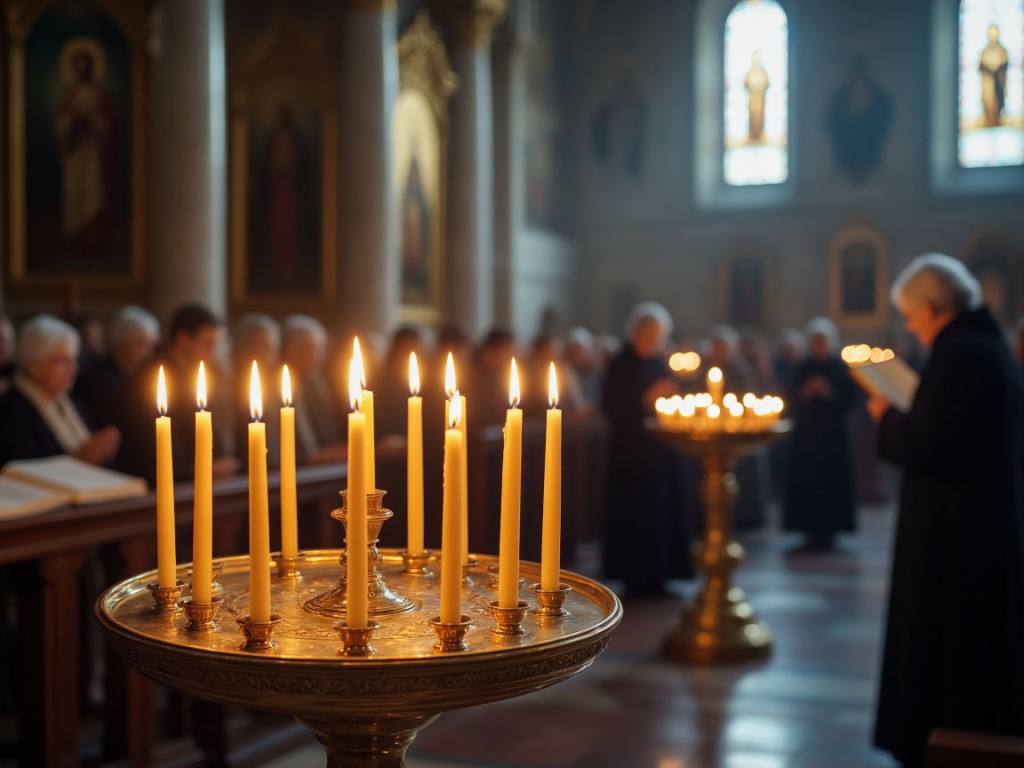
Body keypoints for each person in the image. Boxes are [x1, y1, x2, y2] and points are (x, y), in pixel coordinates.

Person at [867, 253, 1024, 766]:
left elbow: (930, 443)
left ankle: (940, 739)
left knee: (952, 642)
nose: (912, 326)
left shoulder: (963, 355)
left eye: (912, 317)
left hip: (957, 534)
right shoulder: (982, 345)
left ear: (932, 308)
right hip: (970, 518)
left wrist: (887, 416)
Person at [601, 302, 695, 596]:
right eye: (649, 335)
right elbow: (611, 405)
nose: (654, 342)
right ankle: (635, 577)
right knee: (635, 516)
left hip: (661, 453)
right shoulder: (620, 364)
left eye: (658, 336)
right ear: (636, 333)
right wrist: (645, 399)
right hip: (630, 456)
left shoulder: (658, 363)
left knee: (663, 511)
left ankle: (663, 574)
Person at [116, 303, 238, 485]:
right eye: (207, 343)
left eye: (216, 344)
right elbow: (148, 451)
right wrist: (198, 471)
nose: (212, 353)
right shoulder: (151, 379)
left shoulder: (202, 376)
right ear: (183, 339)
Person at [0, 314, 120, 468]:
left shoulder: (70, 401)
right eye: (63, 361)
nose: (74, 369)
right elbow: (19, 473)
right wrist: (78, 461)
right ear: (35, 366)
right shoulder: (12, 411)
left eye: (74, 359)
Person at [782, 317, 857, 551]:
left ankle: (831, 530)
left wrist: (829, 392)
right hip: (807, 437)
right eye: (815, 341)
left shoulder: (840, 368)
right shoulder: (802, 368)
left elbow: (850, 400)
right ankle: (807, 529)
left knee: (831, 483)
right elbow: (789, 398)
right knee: (808, 483)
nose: (819, 345)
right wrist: (805, 391)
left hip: (833, 437)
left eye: (823, 341)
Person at [54, 45, 117, 262]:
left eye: (84, 66)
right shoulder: (70, 95)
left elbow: (108, 123)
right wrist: (72, 123)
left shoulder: (100, 94)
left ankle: (94, 242)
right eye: (77, 67)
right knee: (75, 196)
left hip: (93, 153)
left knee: (93, 194)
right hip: (75, 153)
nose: (81, 70)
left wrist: (93, 124)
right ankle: (75, 243)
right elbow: (61, 122)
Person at [73, 305, 159, 429]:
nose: (148, 352)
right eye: (142, 344)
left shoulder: (141, 375)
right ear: (122, 342)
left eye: (150, 344)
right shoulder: (96, 380)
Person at [280, 314, 345, 465]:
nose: (320, 354)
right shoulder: (283, 386)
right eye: (314, 348)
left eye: (322, 347)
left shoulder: (316, 381)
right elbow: (304, 453)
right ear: (291, 350)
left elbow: (330, 436)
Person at [979, 24, 1009, 128]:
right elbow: (981, 66)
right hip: (988, 81)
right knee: (988, 101)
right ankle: (989, 118)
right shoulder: (984, 51)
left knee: (998, 100)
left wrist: (997, 69)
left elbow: (1005, 64)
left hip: (998, 81)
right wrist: (989, 70)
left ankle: (997, 118)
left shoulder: (1002, 50)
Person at [744, 50, 769, 142]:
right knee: (753, 117)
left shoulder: (763, 72)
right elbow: (745, 83)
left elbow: (767, 83)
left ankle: (760, 135)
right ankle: (752, 136)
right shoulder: (749, 72)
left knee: (760, 117)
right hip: (752, 98)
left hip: (761, 99)